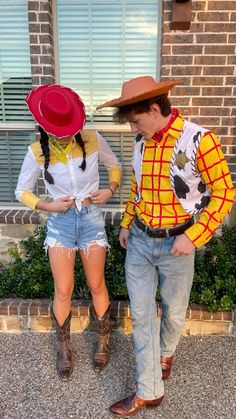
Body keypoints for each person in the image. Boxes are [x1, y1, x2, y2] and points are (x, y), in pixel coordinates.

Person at [97, 76, 235, 417]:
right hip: (141, 242)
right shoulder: (142, 143)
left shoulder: (199, 140)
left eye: (135, 121)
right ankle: (150, 389)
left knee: (173, 312)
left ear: (154, 108)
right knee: (142, 316)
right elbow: (137, 189)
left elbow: (225, 192)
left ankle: (165, 354)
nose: (132, 129)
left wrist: (194, 236)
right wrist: (128, 223)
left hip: (178, 243)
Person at [15, 84, 122, 380]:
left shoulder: (91, 139)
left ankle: (103, 339)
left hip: (90, 218)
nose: (62, 133)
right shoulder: (36, 152)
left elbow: (115, 167)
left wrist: (109, 189)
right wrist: (48, 206)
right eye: (56, 128)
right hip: (60, 224)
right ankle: (64, 346)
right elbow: (21, 191)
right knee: (63, 289)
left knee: (96, 284)